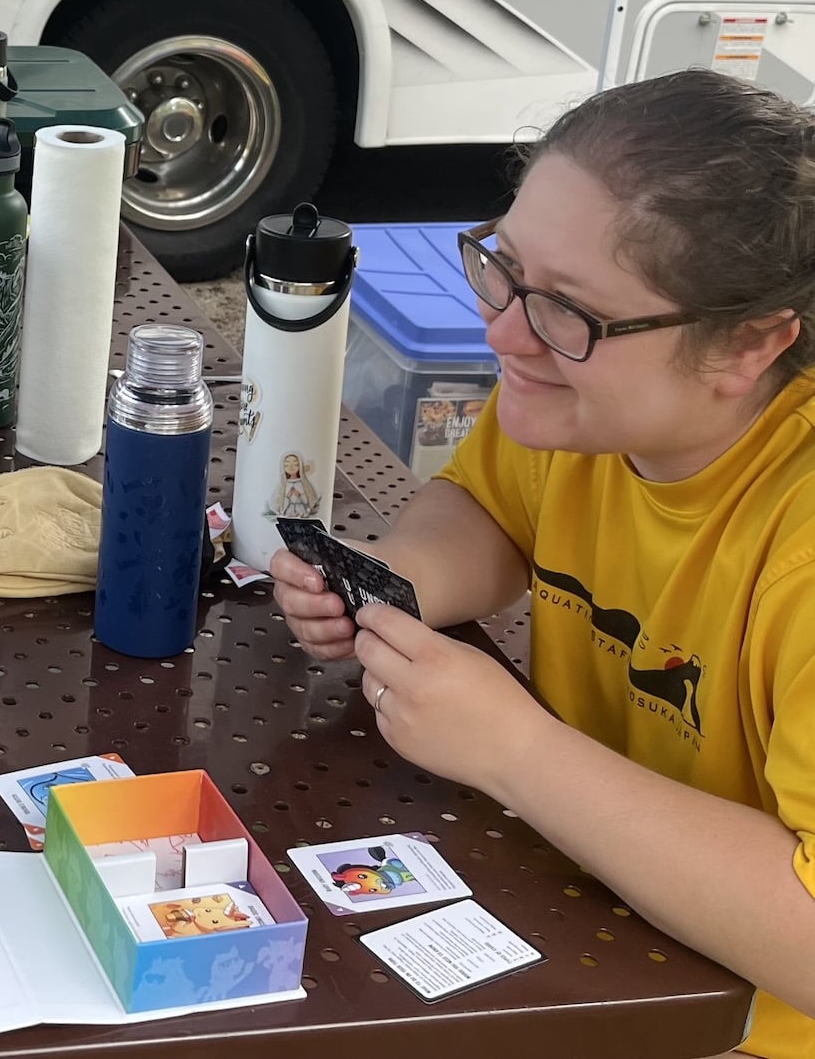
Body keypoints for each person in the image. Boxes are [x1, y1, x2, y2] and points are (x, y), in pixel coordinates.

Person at [271, 69, 815, 1058]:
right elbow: (489, 508)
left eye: (567, 311)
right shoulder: (582, 409)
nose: (501, 332)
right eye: (505, 268)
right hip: (590, 913)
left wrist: (516, 751)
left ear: (747, 346)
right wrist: (395, 583)